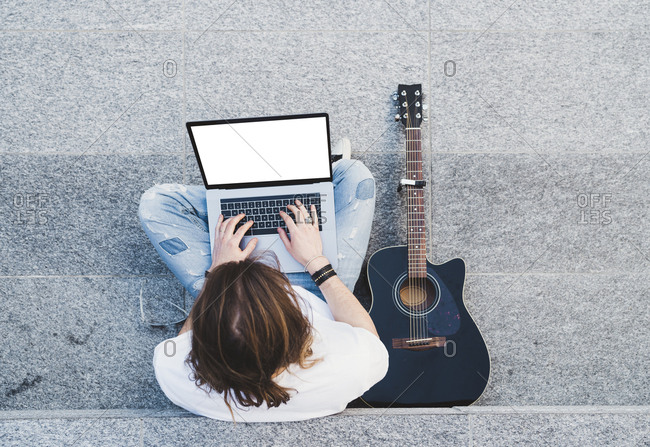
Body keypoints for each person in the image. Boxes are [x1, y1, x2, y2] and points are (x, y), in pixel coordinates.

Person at [138, 139, 388, 422]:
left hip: (221, 286)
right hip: (316, 287)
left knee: (155, 203)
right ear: (302, 330)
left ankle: (244, 199)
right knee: (353, 175)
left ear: (204, 345)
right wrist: (316, 262)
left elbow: (185, 338)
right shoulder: (349, 365)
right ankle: (287, 191)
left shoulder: (177, 374)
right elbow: (366, 334)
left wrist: (219, 273)